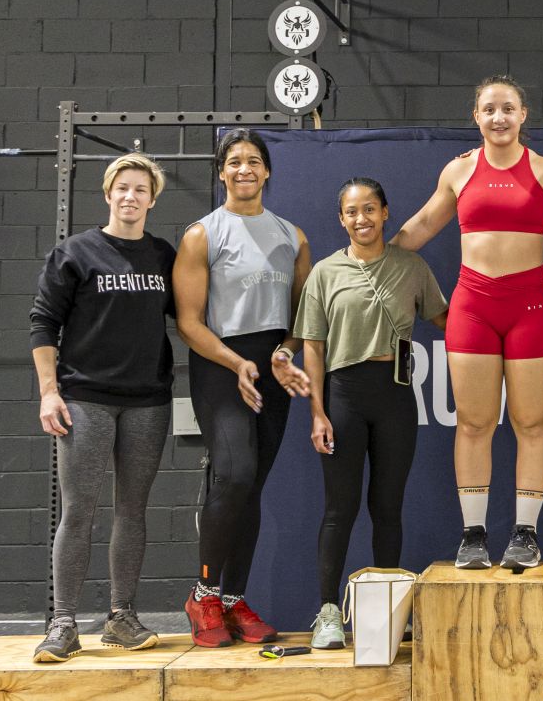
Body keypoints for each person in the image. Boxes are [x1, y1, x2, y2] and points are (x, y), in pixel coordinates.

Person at [393, 75, 543, 572]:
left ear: (523, 115)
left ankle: (525, 534)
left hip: (530, 309)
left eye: (507, 108)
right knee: (474, 422)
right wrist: (372, 257)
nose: (498, 117)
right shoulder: (458, 170)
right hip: (473, 308)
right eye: (489, 109)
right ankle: (473, 536)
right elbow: (422, 225)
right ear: (476, 117)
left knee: (532, 422)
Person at [29, 154, 175, 662]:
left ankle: (121, 617)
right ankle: (64, 623)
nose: (131, 196)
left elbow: (191, 315)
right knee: (79, 510)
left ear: (152, 200)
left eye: (141, 189)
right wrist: (49, 391)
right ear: (108, 193)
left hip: (147, 401)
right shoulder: (75, 252)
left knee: (132, 511)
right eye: (123, 188)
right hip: (85, 399)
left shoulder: (162, 255)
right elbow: (43, 324)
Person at [289, 178, 447, 648]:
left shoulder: (411, 267)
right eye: (352, 212)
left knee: (387, 506)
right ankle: (328, 612)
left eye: (370, 209)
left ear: (385, 213)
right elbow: (312, 348)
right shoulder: (325, 273)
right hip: (344, 397)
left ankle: (385, 610)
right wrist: (318, 412)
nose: (362, 219)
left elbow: (448, 319)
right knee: (340, 508)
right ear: (342, 219)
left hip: (395, 395)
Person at [173, 129, 311, 647]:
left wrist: (284, 353)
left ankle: (233, 599)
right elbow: (188, 322)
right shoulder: (202, 235)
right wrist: (235, 363)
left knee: (252, 484)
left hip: (271, 367)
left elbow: (303, 318)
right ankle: (203, 593)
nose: (244, 169)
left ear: (267, 170)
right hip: (220, 364)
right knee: (233, 474)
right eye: (234, 161)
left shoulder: (293, 236)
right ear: (221, 171)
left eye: (254, 160)